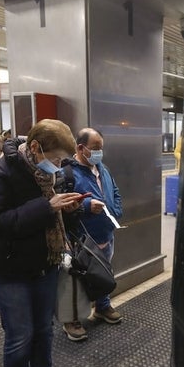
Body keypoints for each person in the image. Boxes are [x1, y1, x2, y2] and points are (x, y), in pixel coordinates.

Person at [0, 119, 84, 367]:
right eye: (55, 159)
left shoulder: (51, 175)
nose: (60, 166)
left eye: (63, 161)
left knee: (43, 331)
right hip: (8, 270)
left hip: (44, 263)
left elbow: (54, 212)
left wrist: (73, 207)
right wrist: (46, 206)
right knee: (20, 336)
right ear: (36, 148)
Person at [61, 127, 123, 341]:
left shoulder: (101, 168)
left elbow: (114, 190)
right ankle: (72, 319)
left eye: (101, 149)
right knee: (76, 279)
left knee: (103, 272)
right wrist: (86, 205)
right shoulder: (67, 173)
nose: (98, 153)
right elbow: (61, 203)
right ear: (80, 148)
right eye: (95, 149)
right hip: (82, 239)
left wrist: (117, 210)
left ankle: (102, 307)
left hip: (106, 233)